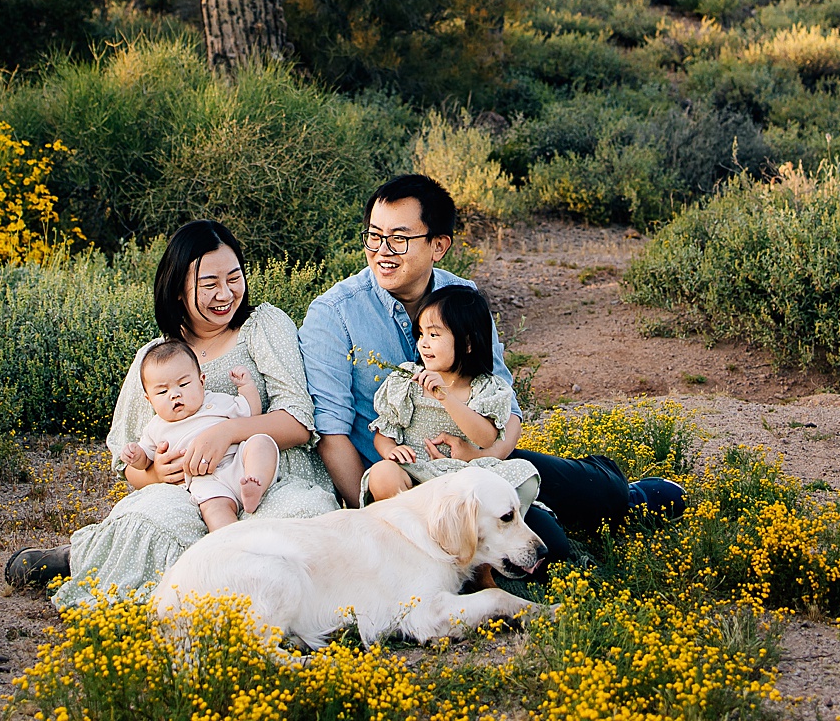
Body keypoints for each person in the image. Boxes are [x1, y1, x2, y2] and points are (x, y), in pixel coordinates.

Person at [299, 173, 683, 567]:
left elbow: (504, 398)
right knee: (550, 553)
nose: (383, 251)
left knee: (605, 495)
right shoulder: (334, 315)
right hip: (404, 485)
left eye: (399, 238)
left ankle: (624, 495)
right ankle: (550, 513)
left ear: (439, 245)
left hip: (479, 461)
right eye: (374, 236)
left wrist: (489, 458)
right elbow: (331, 433)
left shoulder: (462, 298)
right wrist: (374, 522)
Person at [5, 219, 337, 602]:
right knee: (150, 521)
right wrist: (155, 473)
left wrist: (228, 432)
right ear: (178, 289)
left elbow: (298, 420)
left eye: (234, 278)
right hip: (186, 489)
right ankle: (82, 556)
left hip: (266, 476)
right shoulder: (155, 359)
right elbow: (129, 459)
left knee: (295, 520)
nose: (225, 294)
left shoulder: (262, 326)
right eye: (209, 284)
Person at [363, 284, 538, 516]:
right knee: (382, 473)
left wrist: (445, 397)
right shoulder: (407, 381)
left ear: (467, 343)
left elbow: (486, 438)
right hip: (418, 476)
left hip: (467, 478)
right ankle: (417, 530)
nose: (424, 343)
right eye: (421, 334)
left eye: (434, 335)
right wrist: (391, 451)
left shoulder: (485, 387)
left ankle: (481, 531)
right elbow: (384, 433)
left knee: (525, 476)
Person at [122, 342, 279, 529]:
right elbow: (146, 460)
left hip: (239, 462)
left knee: (261, 442)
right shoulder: (155, 428)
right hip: (206, 480)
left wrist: (246, 387)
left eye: (184, 384)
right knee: (214, 509)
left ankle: (255, 483)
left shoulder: (216, 402)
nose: (175, 394)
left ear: (201, 381)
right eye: (162, 391)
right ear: (149, 399)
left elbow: (251, 413)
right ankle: (230, 538)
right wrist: (136, 456)